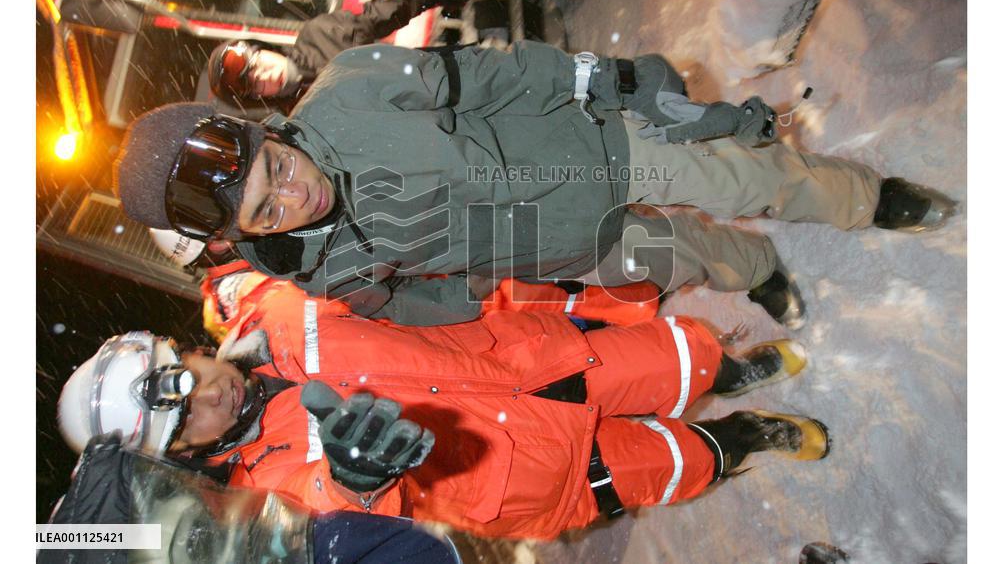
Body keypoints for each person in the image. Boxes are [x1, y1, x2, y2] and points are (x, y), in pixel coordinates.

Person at [113, 42, 955, 327]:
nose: (292, 194)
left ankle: (869, 200)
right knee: (687, 257)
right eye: (267, 209)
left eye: (277, 167)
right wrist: (465, 297)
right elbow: (385, 301)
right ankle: (761, 271)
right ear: (242, 239)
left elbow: (495, 75)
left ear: (267, 133)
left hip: (590, 151)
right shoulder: (306, 271)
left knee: (746, 180)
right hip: (567, 248)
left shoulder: (355, 87)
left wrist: (601, 78)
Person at [58, 289, 829, 541]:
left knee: (672, 358)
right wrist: (358, 482)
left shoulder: (283, 310)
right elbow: (335, 517)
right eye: (183, 419)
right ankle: (740, 438)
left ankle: (732, 371)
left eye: (185, 378)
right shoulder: (263, 484)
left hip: (534, 364)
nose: (207, 397)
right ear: (179, 455)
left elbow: (294, 247)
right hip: (513, 471)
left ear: (186, 351)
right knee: (666, 465)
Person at [42, 433, 461, 564]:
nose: (228, 541)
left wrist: (353, 487)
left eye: (208, 520)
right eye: (194, 544)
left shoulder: (333, 544)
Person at [204, 0, 470, 112]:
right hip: (430, 121)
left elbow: (379, 16)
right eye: (255, 84)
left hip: (441, 75)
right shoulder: (301, 121)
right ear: (258, 97)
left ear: (262, 48)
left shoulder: (319, 34)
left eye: (256, 63)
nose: (264, 75)